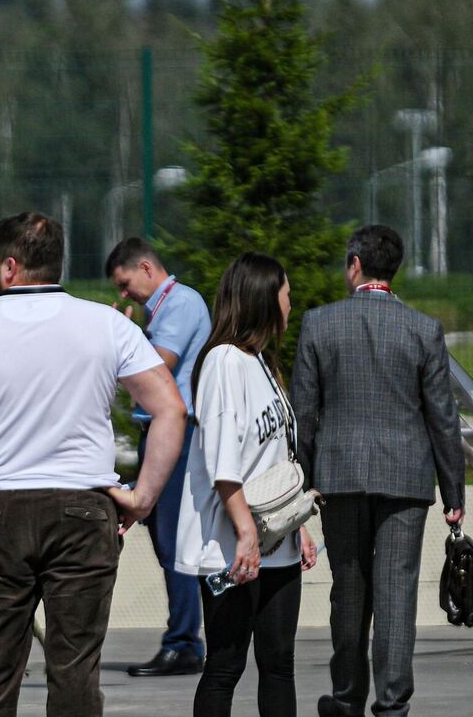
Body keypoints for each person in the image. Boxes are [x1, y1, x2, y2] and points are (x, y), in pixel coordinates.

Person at [0, 211, 186, 717]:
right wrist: (142, 497)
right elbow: (169, 408)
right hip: (83, 508)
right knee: (75, 668)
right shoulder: (106, 323)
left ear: (9, 266)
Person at [293, 225, 466, 717]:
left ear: (354, 265)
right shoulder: (423, 329)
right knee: (396, 591)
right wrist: (454, 490)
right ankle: (392, 704)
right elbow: (442, 418)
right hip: (407, 481)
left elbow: (304, 414)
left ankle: (346, 696)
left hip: (340, 477)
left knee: (348, 588)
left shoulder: (318, 324)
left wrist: (304, 485)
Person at [175, 253, 319, 717]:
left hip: (274, 540)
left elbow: (274, 455)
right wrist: (246, 534)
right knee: (225, 665)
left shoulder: (261, 363)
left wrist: (295, 521)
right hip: (230, 544)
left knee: (279, 662)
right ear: (262, 298)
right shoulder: (223, 362)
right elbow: (224, 462)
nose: (290, 304)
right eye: (286, 295)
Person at [106, 237, 214, 678]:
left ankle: (185, 642)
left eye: (126, 282)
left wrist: (118, 337)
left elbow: (157, 363)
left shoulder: (181, 303)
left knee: (174, 541)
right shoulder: (165, 308)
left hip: (178, 433)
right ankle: (187, 638)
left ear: (147, 268)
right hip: (163, 431)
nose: (124, 293)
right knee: (168, 536)